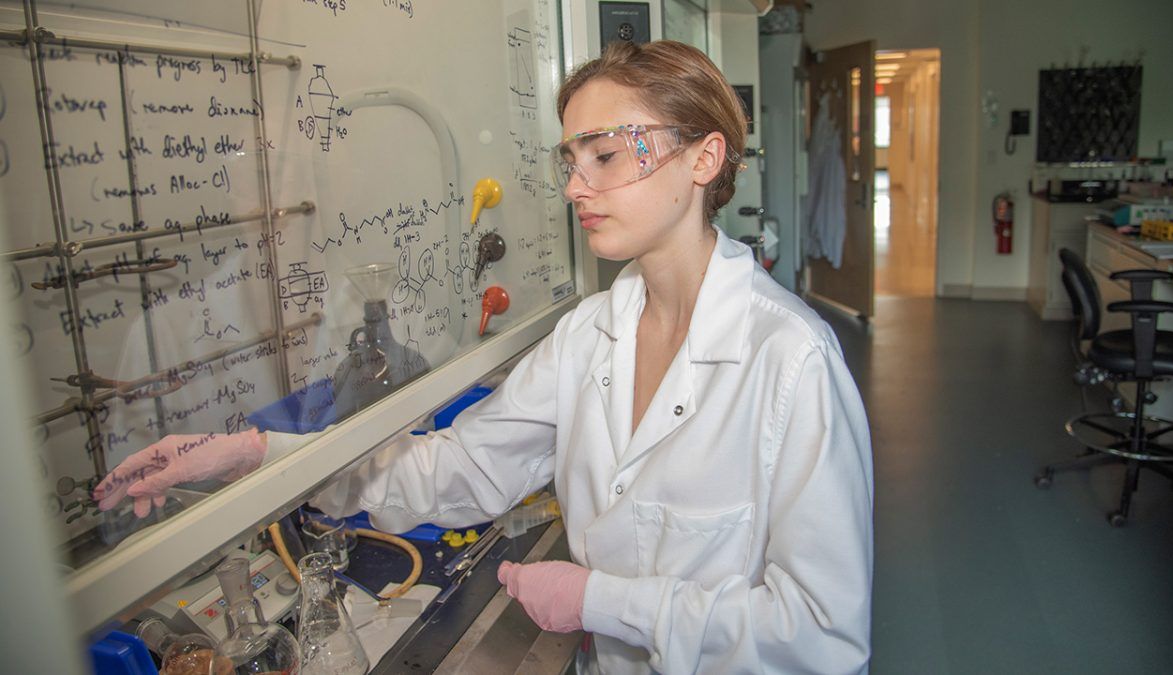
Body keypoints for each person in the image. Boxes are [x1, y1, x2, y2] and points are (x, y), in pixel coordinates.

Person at [95, 40, 873, 674]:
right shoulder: (588, 335)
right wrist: (254, 456)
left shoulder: (790, 361)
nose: (575, 185)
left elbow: (822, 634)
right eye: (570, 158)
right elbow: (454, 472)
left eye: (604, 154)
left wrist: (600, 601)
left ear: (704, 160)